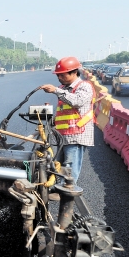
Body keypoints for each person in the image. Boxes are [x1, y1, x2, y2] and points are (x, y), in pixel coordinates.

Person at [40, 56, 94, 186]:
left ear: (74, 72)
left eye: (62, 75)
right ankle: (59, 189)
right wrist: (51, 121)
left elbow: (77, 101)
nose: (59, 78)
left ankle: (67, 193)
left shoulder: (84, 86)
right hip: (62, 136)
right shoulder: (64, 88)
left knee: (69, 167)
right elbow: (65, 112)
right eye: (58, 75)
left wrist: (56, 90)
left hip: (76, 135)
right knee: (58, 166)